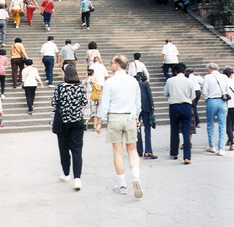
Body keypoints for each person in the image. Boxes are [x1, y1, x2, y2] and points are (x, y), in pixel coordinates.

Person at [96, 55, 143, 198]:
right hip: (129, 116)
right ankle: (136, 177)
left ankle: (122, 184)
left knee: (118, 152)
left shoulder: (110, 82)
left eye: (111, 63)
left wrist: (99, 121)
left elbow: (105, 104)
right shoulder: (133, 81)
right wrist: (136, 117)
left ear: (117, 64)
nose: (110, 65)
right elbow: (138, 103)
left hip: (115, 117)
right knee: (132, 150)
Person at [51, 64, 88, 190]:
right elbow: (84, 104)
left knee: (64, 149)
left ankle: (66, 174)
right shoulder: (80, 87)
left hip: (63, 122)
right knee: (77, 151)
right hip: (77, 122)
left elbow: (53, 104)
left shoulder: (60, 88)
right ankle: (77, 180)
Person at [163, 63, 195, 164]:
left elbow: (165, 93)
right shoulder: (189, 81)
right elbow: (193, 96)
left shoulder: (170, 81)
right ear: (184, 71)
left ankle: (174, 153)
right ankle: (187, 157)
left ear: (175, 72)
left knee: (174, 129)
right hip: (186, 106)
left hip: (174, 106)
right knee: (186, 131)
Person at [202, 63, 229, 155]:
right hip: (222, 101)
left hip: (212, 101)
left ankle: (212, 146)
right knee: (222, 125)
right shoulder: (224, 77)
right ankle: (221, 148)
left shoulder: (207, 77)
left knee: (210, 124)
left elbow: (204, 91)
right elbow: (227, 90)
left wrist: (206, 98)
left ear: (210, 69)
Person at [135, 72, 158, 159]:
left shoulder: (134, 85)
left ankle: (139, 150)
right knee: (147, 130)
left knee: (138, 130)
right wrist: (152, 108)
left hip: (137, 109)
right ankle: (148, 150)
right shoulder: (146, 85)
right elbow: (150, 96)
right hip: (146, 108)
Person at [223, 67, 234, 151]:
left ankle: (231, 140)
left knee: (228, 123)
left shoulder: (223, 82)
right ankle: (230, 139)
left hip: (227, 105)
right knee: (233, 123)